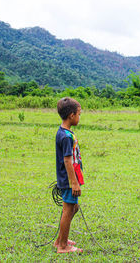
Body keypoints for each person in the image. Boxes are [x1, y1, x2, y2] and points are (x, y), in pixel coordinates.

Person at [54, 97, 85, 253]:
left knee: (73, 207)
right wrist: (74, 182)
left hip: (68, 178)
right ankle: (63, 246)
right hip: (68, 180)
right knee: (69, 209)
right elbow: (67, 160)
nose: (79, 117)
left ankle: (60, 239)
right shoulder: (66, 137)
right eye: (79, 114)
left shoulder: (65, 132)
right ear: (72, 115)